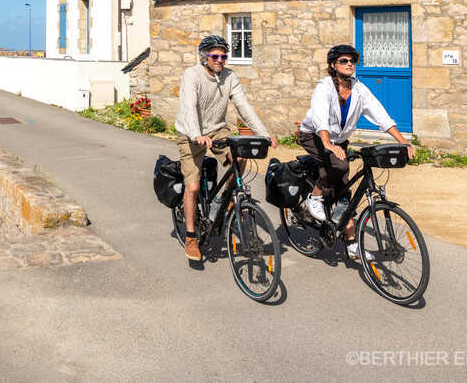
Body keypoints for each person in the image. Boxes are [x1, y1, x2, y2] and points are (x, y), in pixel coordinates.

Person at [297, 44, 415, 261]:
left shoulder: (359, 89)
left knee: (344, 194)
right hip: (314, 136)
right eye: (344, 61)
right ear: (333, 65)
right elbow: (320, 117)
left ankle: (351, 244)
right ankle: (315, 197)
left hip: (338, 141)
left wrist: (403, 142)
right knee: (337, 164)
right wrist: (328, 144)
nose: (349, 64)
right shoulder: (324, 87)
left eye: (352, 61)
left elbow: (380, 114)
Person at [175, 34, 275, 262]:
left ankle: (225, 198)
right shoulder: (192, 75)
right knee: (192, 186)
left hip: (217, 129)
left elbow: (243, 106)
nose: (220, 60)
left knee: (241, 157)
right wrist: (196, 134)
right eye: (215, 56)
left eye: (223, 56)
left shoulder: (229, 77)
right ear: (204, 57)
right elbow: (189, 106)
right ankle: (191, 236)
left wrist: (263, 133)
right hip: (190, 133)